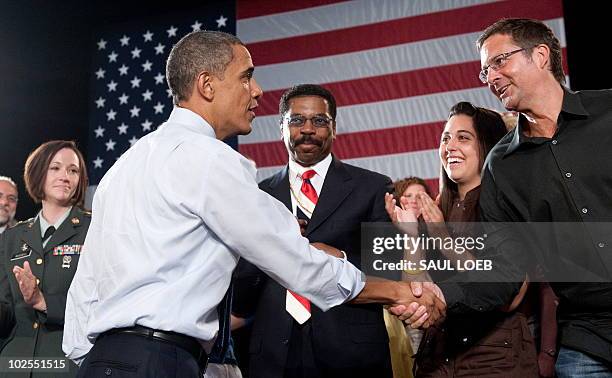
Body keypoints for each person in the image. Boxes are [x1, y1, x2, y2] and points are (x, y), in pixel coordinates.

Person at [62, 31, 444, 378]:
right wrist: (396, 293)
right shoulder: (211, 159)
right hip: (162, 361)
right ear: (207, 85)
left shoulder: (122, 167)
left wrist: (103, 362)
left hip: (104, 361)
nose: (257, 90)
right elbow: (295, 260)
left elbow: (86, 286)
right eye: (246, 76)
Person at [476, 18, 612, 376]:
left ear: (539, 55)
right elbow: (504, 267)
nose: (491, 77)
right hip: (589, 340)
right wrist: (436, 295)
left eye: (499, 62)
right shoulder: (499, 166)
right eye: (485, 71)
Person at [233, 84, 395, 378]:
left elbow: (389, 271)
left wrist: (339, 256)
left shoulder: (372, 187)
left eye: (319, 121)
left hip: (351, 353)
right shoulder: (255, 196)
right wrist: (268, 246)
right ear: (281, 128)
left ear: (334, 129)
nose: (308, 129)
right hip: (272, 354)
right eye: (296, 120)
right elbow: (241, 296)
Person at [388, 102, 541, 377]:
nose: (450, 146)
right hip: (437, 358)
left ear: (488, 145)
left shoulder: (511, 205)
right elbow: (418, 291)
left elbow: (511, 298)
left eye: (463, 138)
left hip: (494, 359)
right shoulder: (435, 210)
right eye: (445, 138)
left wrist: (442, 237)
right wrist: (411, 234)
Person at [0, 140, 90, 377]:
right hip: (13, 367)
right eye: (55, 168)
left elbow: (101, 301)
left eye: (73, 170)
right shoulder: (12, 237)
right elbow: (6, 313)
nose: (65, 176)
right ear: (38, 172)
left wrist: (43, 301)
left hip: (66, 365)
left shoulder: (95, 230)